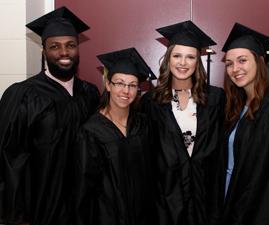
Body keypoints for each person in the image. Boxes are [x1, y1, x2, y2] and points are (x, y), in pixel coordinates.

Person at [0, 6, 100, 225]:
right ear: (43, 51)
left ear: (78, 49)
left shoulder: (90, 93)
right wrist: (16, 216)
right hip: (41, 207)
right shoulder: (23, 95)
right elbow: (10, 159)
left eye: (70, 45)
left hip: (85, 208)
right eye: (55, 46)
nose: (64, 53)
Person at [140, 20, 225, 225]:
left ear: (198, 61)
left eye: (190, 57)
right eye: (177, 56)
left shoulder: (215, 99)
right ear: (168, 59)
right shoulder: (151, 102)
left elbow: (220, 152)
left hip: (204, 196)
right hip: (166, 199)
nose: (183, 63)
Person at [221, 22, 269, 225]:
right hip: (231, 201)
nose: (235, 69)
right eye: (229, 63)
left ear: (259, 61)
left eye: (242, 60)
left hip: (255, 212)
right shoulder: (237, 106)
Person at [72, 47, 157, 225]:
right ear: (108, 85)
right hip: (106, 217)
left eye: (132, 85)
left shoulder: (143, 124)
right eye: (119, 83)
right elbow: (83, 189)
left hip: (143, 216)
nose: (126, 91)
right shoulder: (91, 131)